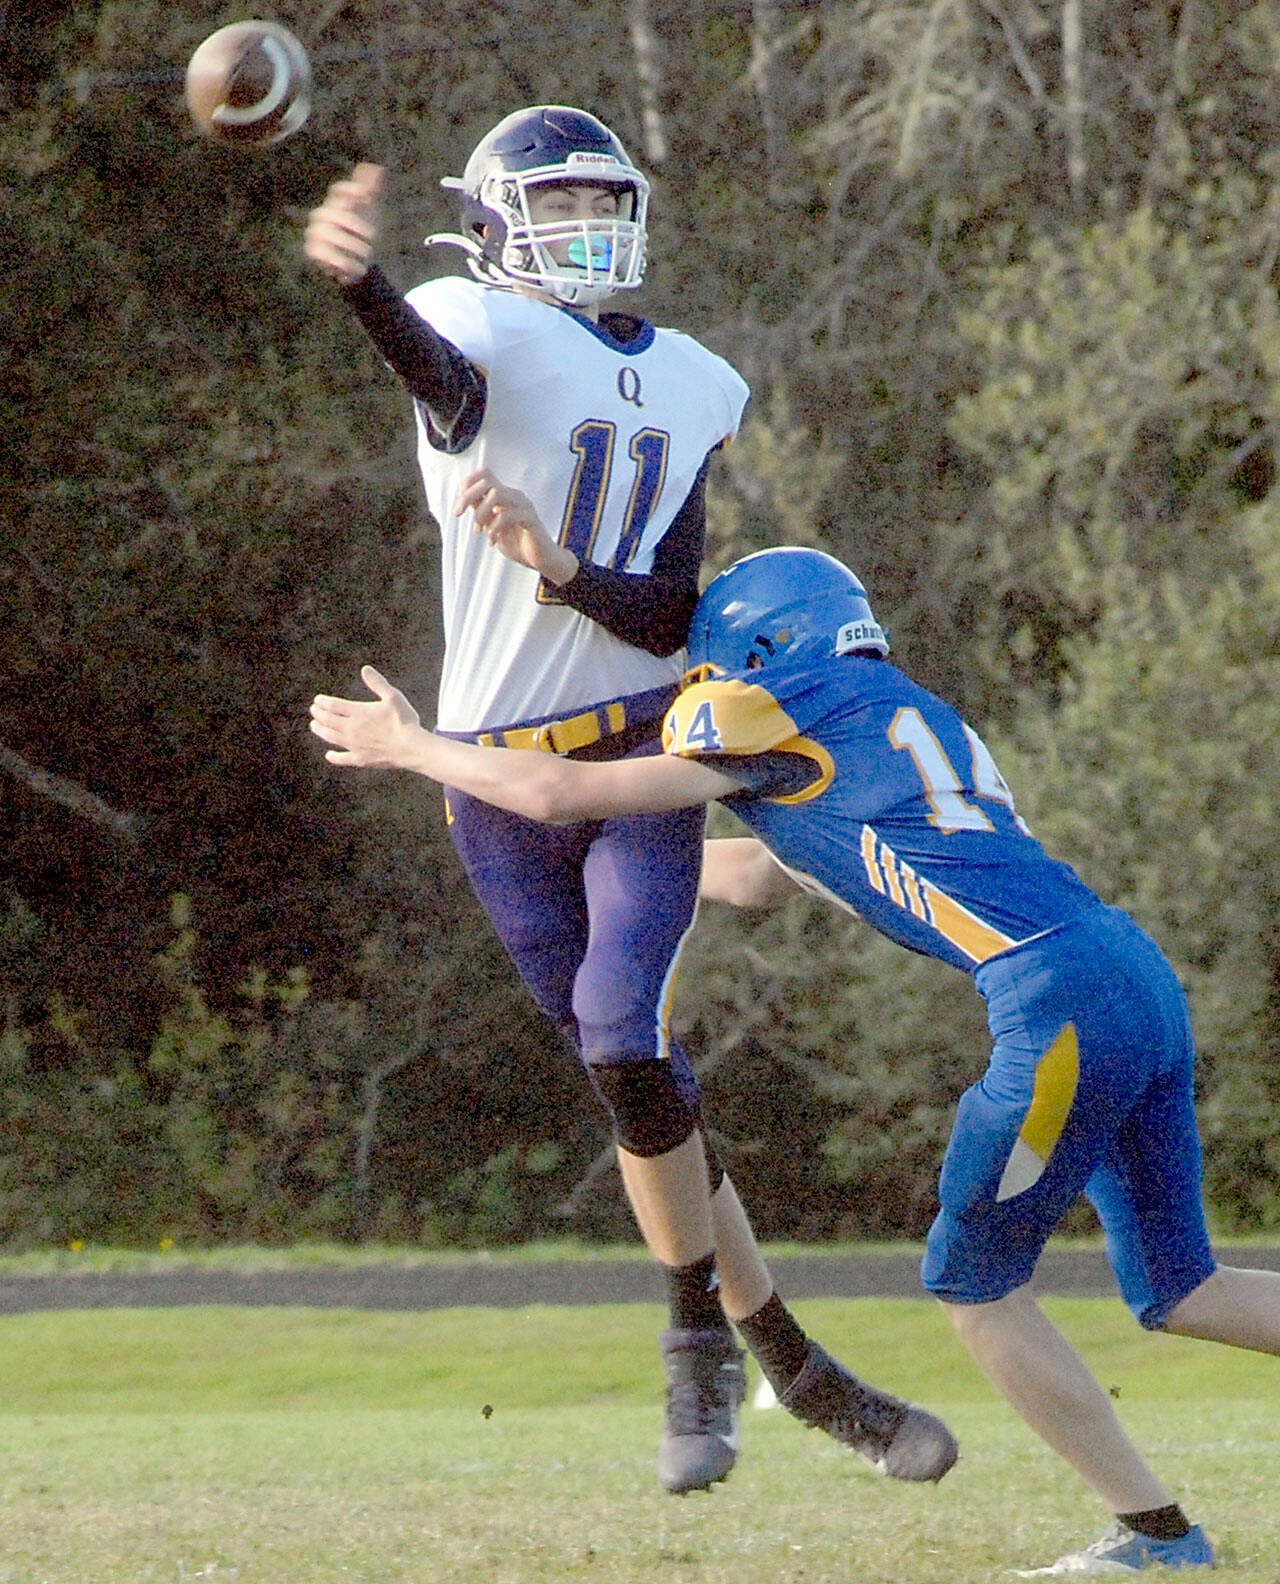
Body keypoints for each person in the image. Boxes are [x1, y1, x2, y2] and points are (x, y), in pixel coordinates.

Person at [310, 529, 1280, 1574]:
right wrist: (659, 869)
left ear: (757, 649)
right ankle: (1157, 1536)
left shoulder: (764, 704)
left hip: (1054, 1005)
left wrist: (413, 746)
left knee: (972, 1286)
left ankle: (1158, 1541)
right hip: (1126, 968)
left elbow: (556, 796)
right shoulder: (900, 709)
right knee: (1180, 1286)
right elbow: (777, 873)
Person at [302, 106, 957, 1494]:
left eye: (607, 194)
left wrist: (555, 570)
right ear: (484, 221)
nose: (590, 221)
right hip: (495, 780)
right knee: (634, 1081)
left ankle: (693, 1351)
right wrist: (358, 285)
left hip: (639, 750)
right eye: (557, 198)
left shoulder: (699, 380)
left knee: (621, 1036)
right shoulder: (467, 328)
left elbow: (670, 611)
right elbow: (443, 384)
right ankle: (789, 1359)